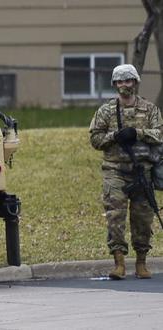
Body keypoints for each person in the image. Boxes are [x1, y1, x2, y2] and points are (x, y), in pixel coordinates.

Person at [89, 64, 163, 280]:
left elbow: (159, 134)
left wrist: (137, 133)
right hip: (115, 171)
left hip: (142, 171)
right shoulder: (106, 111)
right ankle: (119, 262)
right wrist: (114, 136)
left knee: (143, 218)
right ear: (114, 84)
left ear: (135, 82)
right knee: (115, 216)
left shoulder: (149, 110)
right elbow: (94, 139)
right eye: (120, 81)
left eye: (128, 81)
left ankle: (141, 262)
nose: (124, 85)